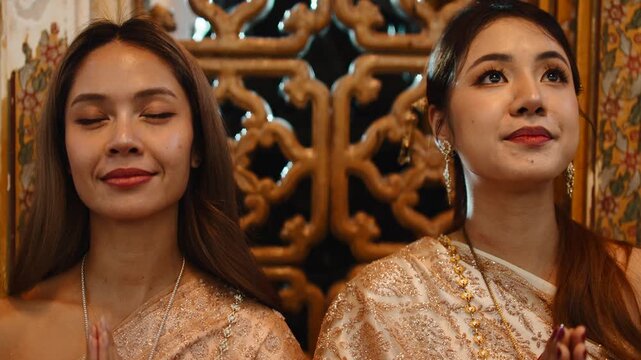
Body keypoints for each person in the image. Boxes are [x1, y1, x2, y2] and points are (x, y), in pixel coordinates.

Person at [314, 1, 641, 359]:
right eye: (493, 76)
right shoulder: (380, 308)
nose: (532, 98)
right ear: (441, 126)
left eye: (553, 75)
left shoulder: (633, 282)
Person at [0, 17, 305, 360]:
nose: (123, 140)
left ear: (198, 144)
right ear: (63, 152)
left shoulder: (253, 340)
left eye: (156, 114)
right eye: (92, 119)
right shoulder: (10, 331)